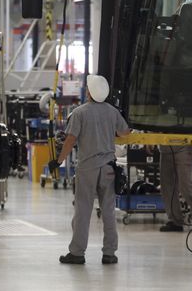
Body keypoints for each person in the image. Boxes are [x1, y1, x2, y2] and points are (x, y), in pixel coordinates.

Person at [49, 75, 131, 265]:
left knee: (83, 211)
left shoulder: (80, 113)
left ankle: (77, 253)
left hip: (87, 169)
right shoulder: (112, 112)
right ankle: (109, 253)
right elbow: (125, 132)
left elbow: (70, 140)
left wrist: (58, 160)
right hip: (109, 168)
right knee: (108, 211)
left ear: (90, 92)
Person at [159, 145, 192, 233]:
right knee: (167, 186)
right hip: (165, 147)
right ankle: (176, 221)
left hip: (184, 147)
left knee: (185, 183)